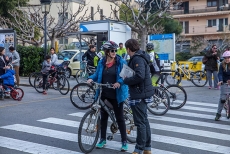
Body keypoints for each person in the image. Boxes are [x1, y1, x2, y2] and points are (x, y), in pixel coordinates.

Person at [87, 41, 129, 151]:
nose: (114, 52)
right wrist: (91, 78)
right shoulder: (102, 62)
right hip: (104, 93)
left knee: (120, 118)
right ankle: (102, 139)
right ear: (106, 52)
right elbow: (97, 74)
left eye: (115, 50)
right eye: (112, 50)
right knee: (103, 118)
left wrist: (119, 82)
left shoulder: (120, 62)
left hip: (116, 94)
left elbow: (125, 75)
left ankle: (124, 141)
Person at [123, 39, 154, 154]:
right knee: (144, 121)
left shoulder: (137, 59)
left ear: (128, 49)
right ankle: (147, 148)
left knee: (140, 122)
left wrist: (126, 80)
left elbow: (139, 76)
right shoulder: (141, 56)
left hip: (139, 93)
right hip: (143, 92)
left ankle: (139, 149)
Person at [215, 50, 230, 121]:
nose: (227, 59)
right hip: (224, 82)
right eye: (226, 58)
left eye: (228, 58)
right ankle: (218, 114)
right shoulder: (222, 64)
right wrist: (220, 80)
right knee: (222, 99)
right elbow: (220, 73)